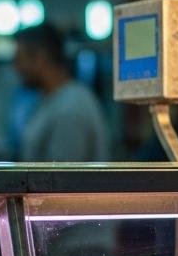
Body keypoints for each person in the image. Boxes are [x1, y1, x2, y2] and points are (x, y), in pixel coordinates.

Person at [13, 23, 110, 162]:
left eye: (19, 59)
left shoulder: (71, 108)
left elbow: (61, 180)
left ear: (40, 58)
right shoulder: (50, 99)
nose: (15, 68)